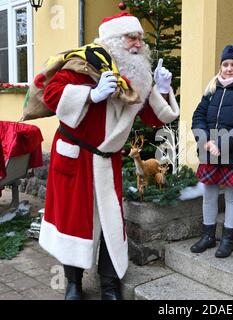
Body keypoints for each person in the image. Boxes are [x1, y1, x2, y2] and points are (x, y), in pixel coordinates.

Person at [38, 12, 180, 300]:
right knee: (72, 221)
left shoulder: (139, 72)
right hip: (75, 157)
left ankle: (110, 285)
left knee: (110, 223)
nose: (138, 44)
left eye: (140, 38)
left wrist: (163, 90)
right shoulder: (83, 63)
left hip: (107, 159)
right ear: (113, 40)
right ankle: (74, 284)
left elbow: (155, 118)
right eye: (131, 37)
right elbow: (50, 93)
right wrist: (91, 94)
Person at [190, 45, 233, 258]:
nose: (229, 68)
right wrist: (203, 139)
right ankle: (208, 235)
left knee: (231, 197)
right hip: (209, 150)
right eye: (225, 64)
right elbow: (198, 116)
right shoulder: (212, 89)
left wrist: (221, 143)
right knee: (209, 195)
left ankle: (228, 238)